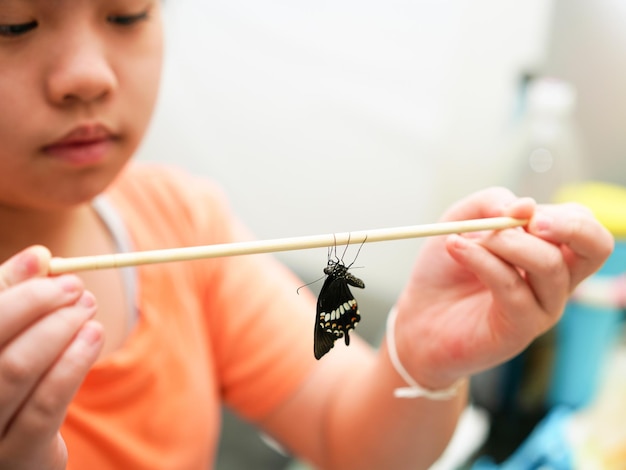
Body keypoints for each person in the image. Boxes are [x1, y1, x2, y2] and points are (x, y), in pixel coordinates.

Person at [0, 2, 613, 469]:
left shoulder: (178, 219)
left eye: (126, 14)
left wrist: (423, 362)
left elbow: (354, 437)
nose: (87, 76)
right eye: (15, 25)